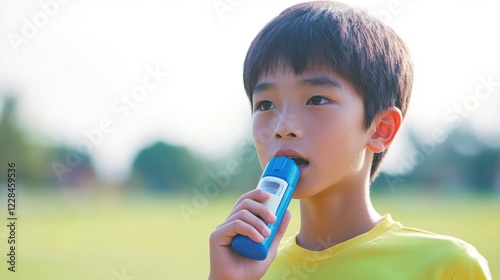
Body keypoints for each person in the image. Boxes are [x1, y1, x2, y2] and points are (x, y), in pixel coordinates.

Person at [208, 1, 492, 279]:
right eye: (265, 105)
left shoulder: (447, 267)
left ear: (380, 129)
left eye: (316, 99)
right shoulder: (249, 268)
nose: (283, 127)